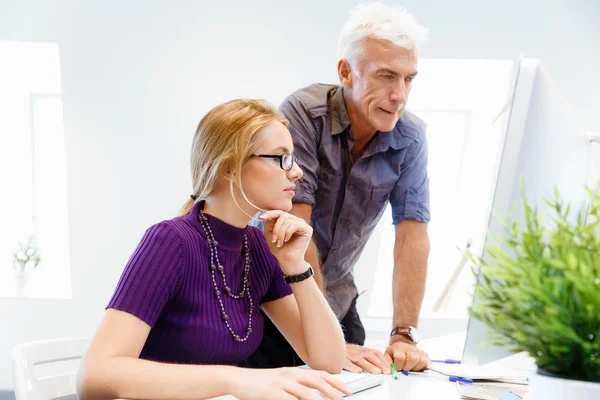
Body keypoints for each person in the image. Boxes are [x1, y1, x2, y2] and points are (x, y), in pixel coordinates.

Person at [77, 99, 351, 400]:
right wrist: (232, 379)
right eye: (281, 158)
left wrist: (295, 265)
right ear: (229, 167)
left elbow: (328, 360)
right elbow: (95, 375)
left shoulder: (257, 247)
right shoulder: (170, 241)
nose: (296, 172)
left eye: (294, 158)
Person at [246, 3, 432, 375]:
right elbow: (294, 232)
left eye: (408, 79)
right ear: (346, 72)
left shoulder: (410, 136)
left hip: (338, 300)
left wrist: (403, 335)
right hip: (271, 302)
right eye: (386, 76)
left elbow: (412, 237)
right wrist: (326, 338)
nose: (400, 95)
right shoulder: (304, 114)